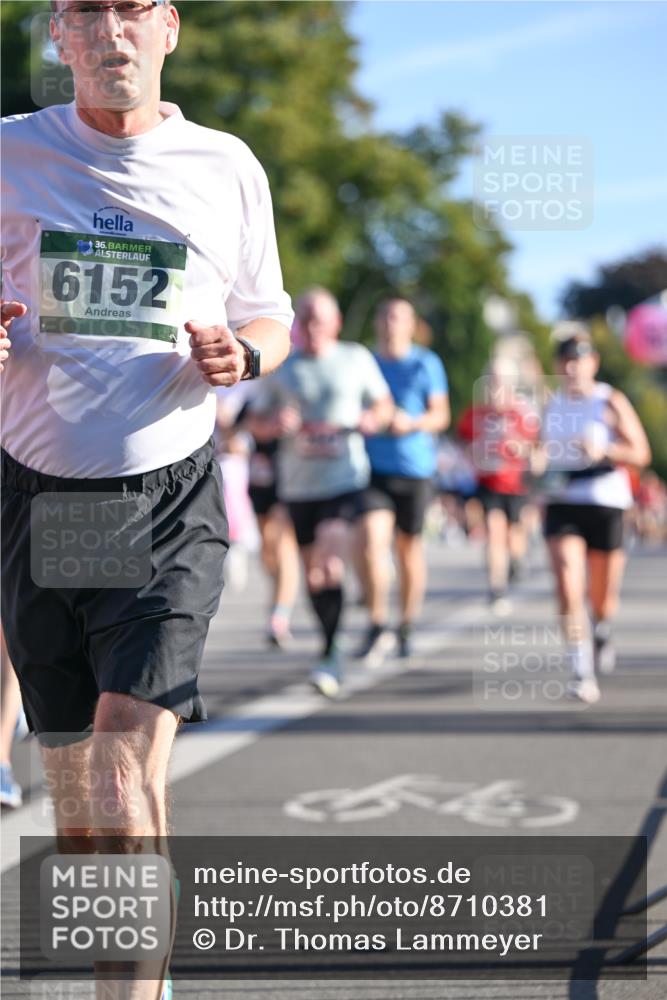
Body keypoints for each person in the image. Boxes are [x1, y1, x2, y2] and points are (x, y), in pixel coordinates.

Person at [1, 2, 292, 996]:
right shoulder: (8, 155)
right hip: (39, 497)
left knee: (123, 774)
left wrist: (244, 350)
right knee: (84, 798)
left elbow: (268, 310)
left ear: (168, 28)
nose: (111, 29)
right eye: (87, 11)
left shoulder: (224, 164)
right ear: (58, 36)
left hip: (165, 495)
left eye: (133, 8)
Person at [247, 288, 393, 696]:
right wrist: (274, 422)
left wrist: (371, 418)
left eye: (320, 319)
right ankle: (332, 646)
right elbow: (254, 422)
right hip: (298, 486)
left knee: (329, 564)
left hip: (345, 480)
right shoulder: (284, 368)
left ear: (336, 324)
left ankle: (330, 654)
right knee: (314, 574)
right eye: (305, 319)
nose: (312, 327)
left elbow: (383, 405)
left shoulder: (355, 359)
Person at [539, 329, 651, 703]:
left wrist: (605, 449)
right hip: (562, 499)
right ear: (558, 365)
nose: (572, 367)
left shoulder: (609, 400)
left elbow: (641, 453)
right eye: (565, 360)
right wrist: (532, 460)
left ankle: (601, 628)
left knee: (602, 597)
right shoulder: (550, 403)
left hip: (604, 500)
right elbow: (540, 453)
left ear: (593, 363)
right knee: (568, 581)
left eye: (579, 359)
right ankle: (580, 669)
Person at [358, 297, 449, 662]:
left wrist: (411, 423)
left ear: (411, 325)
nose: (392, 323)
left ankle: (407, 623)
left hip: (414, 469)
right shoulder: (367, 361)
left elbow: (441, 415)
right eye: (386, 315)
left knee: (408, 550)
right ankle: (377, 622)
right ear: (378, 322)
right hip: (372, 468)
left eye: (399, 317)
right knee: (370, 542)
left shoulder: (425, 363)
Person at [457, 357, 539, 615]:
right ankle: (497, 589)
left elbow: (537, 450)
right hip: (488, 483)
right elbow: (461, 440)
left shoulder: (523, 413)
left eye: (501, 381)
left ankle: (516, 559)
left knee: (513, 538)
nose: (495, 387)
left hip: (515, 485)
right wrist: (471, 453)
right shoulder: (477, 413)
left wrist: (521, 448)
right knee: (494, 532)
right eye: (492, 381)